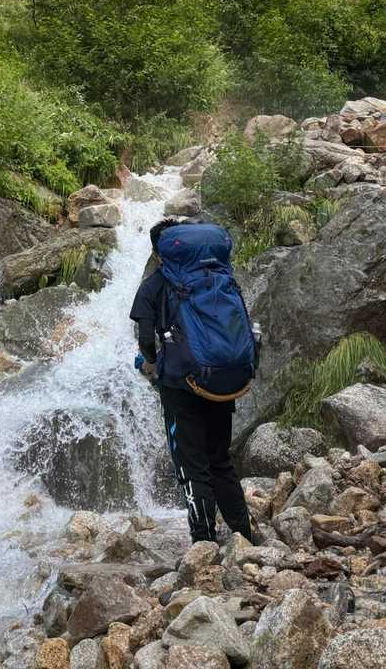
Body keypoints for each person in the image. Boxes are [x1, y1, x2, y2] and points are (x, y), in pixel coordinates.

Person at [131, 217, 260, 545]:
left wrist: (151, 364)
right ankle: (244, 537)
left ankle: (204, 544)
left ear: (159, 252)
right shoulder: (219, 278)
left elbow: (145, 340)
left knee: (192, 465)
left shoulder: (154, 285)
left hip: (180, 385)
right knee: (219, 460)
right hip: (221, 381)